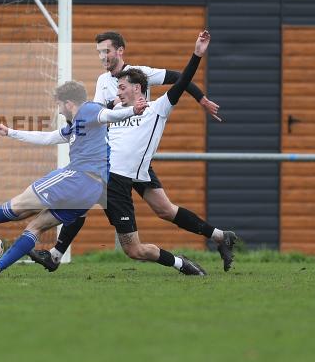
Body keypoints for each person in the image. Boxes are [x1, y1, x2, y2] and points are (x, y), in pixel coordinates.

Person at [30, 30, 238, 273]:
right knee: (91, 200)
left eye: (106, 51)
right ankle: (220, 236)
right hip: (115, 163)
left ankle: (50, 249)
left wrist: (198, 64)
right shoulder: (105, 85)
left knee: (161, 213)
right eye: (99, 52)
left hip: (132, 164)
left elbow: (181, 80)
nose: (102, 57)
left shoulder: (151, 97)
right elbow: (96, 114)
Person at [0, 80, 192, 279]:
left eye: (58, 104)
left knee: (20, 205)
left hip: (77, 177)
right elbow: (48, 138)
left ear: (68, 103)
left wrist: (131, 111)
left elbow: (108, 115)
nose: (57, 108)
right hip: (89, 190)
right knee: (34, 225)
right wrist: (11, 132)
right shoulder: (77, 124)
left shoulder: (88, 110)